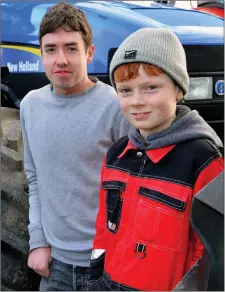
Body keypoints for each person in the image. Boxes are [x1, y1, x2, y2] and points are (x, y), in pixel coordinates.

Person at [87, 27, 224, 291]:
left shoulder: (204, 159)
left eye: (150, 87)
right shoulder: (116, 155)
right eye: (125, 90)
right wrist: (95, 281)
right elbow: (104, 230)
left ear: (178, 90)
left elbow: (209, 253)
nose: (136, 101)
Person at [20, 2, 130, 291]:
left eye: (71, 48)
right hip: (54, 267)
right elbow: (35, 180)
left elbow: (134, 187)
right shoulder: (30, 106)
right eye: (51, 49)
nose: (61, 59)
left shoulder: (115, 107)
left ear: (89, 52)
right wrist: (38, 242)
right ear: (41, 54)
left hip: (108, 267)